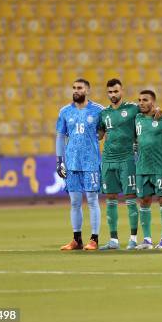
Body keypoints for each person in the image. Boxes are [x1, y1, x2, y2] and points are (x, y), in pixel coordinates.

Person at [57, 79, 103, 251]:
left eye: (80, 88)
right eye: (74, 87)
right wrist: (59, 160)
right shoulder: (65, 111)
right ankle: (77, 239)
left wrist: (100, 135)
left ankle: (94, 239)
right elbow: (60, 136)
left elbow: (105, 130)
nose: (76, 90)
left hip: (91, 162)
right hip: (72, 163)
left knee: (92, 200)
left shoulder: (98, 110)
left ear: (87, 90)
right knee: (75, 202)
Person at [98, 79, 140, 250]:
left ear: (122, 91)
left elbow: (146, 119)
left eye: (115, 92)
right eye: (110, 92)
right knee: (110, 198)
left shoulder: (132, 109)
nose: (113, 95)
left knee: (130, 198)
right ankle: (113, 240)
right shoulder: (104, 113)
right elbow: (100, 133)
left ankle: (133, 238)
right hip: (108, 159)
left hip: (126, 159)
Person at [134, 90, 162, 250]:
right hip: (142, 168)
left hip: (159, 168)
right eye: (139, 100)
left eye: (145, 100)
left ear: (153, 102)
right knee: (144, 202)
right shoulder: (137, 119)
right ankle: (147, 240)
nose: (141, 103)